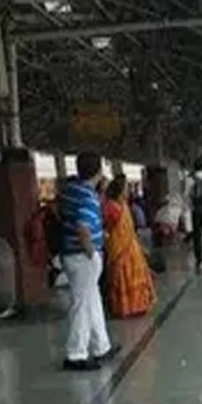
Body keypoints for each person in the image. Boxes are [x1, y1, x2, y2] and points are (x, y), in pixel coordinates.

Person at [59, 151, 118, 371]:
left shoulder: (70, 190)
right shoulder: (86, 195)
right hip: (82, 256)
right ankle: (76, 354)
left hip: (72, 253)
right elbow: (83, 227)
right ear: (99, 171)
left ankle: (101, 346)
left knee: (92, 301)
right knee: (81, 305)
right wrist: (92, 253)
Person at [102, 175, 156, 318]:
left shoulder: (123, 205)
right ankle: (125, 308)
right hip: (120, 249)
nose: (128, 191)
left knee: (133, 275)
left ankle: (137, 306)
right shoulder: (111, 207)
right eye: (126, 188)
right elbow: (107, 228)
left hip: (131, 248)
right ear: (120, 190)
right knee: (122, 276)